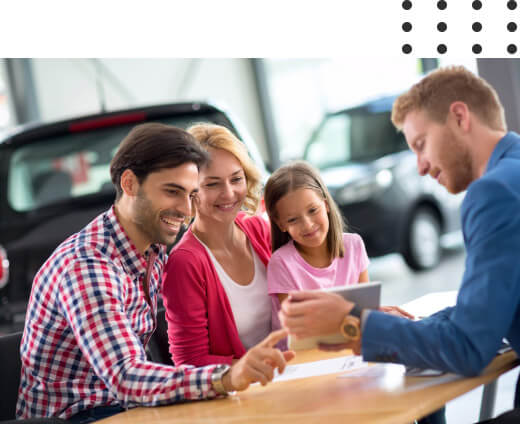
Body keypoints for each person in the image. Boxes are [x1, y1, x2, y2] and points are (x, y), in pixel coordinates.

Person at [278, 66, 520, 423]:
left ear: (459, 117)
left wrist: (352, 321)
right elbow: (486, 310)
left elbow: (467, 348)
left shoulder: (498, 192)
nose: (420, 166)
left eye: (421, 144)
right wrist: (412, 326)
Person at [17, 123, 291, 422]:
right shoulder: (88, 266)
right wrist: (225, 377)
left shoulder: (152, 247)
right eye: (172, 191)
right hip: (81, 416)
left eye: (191, 194)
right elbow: (126, 376)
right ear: (129, 184)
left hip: (127, 409)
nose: (186, 210)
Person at [162, 123, 290, 365]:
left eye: (236, 179)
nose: (229, 193)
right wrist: (249, 368)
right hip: (240, 392)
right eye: (212, 184)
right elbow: (190, 361)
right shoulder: (185, 263)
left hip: (290, 373)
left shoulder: (259, 229)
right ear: (189, 191)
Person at [264, 161, 369, 304]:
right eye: (293, 219)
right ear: (281, 224)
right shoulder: (281, 263)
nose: (307, 225)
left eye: (313, 210)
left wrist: (377, 314)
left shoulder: (354, 245)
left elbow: (366, 307)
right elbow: (297, 325)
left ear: (326, 205)